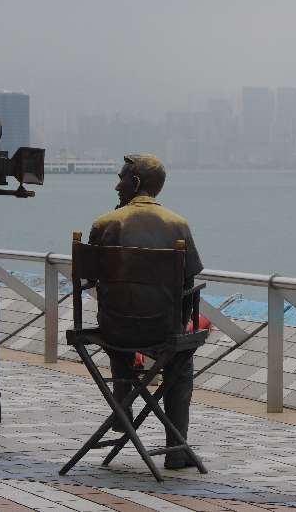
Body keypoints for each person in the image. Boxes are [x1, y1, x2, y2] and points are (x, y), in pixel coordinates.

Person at [89, 153, 203, 469]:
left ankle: (122, 410)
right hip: (162, 330)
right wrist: (178, 323)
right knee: (180, 363)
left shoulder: (105, 223)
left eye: (121, 179)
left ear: (135, 182)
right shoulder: (177, 224)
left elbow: (89, 277)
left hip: (114, 329)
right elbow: (188, 283)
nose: (117, 186)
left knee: (119, 341)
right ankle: (176, 451)